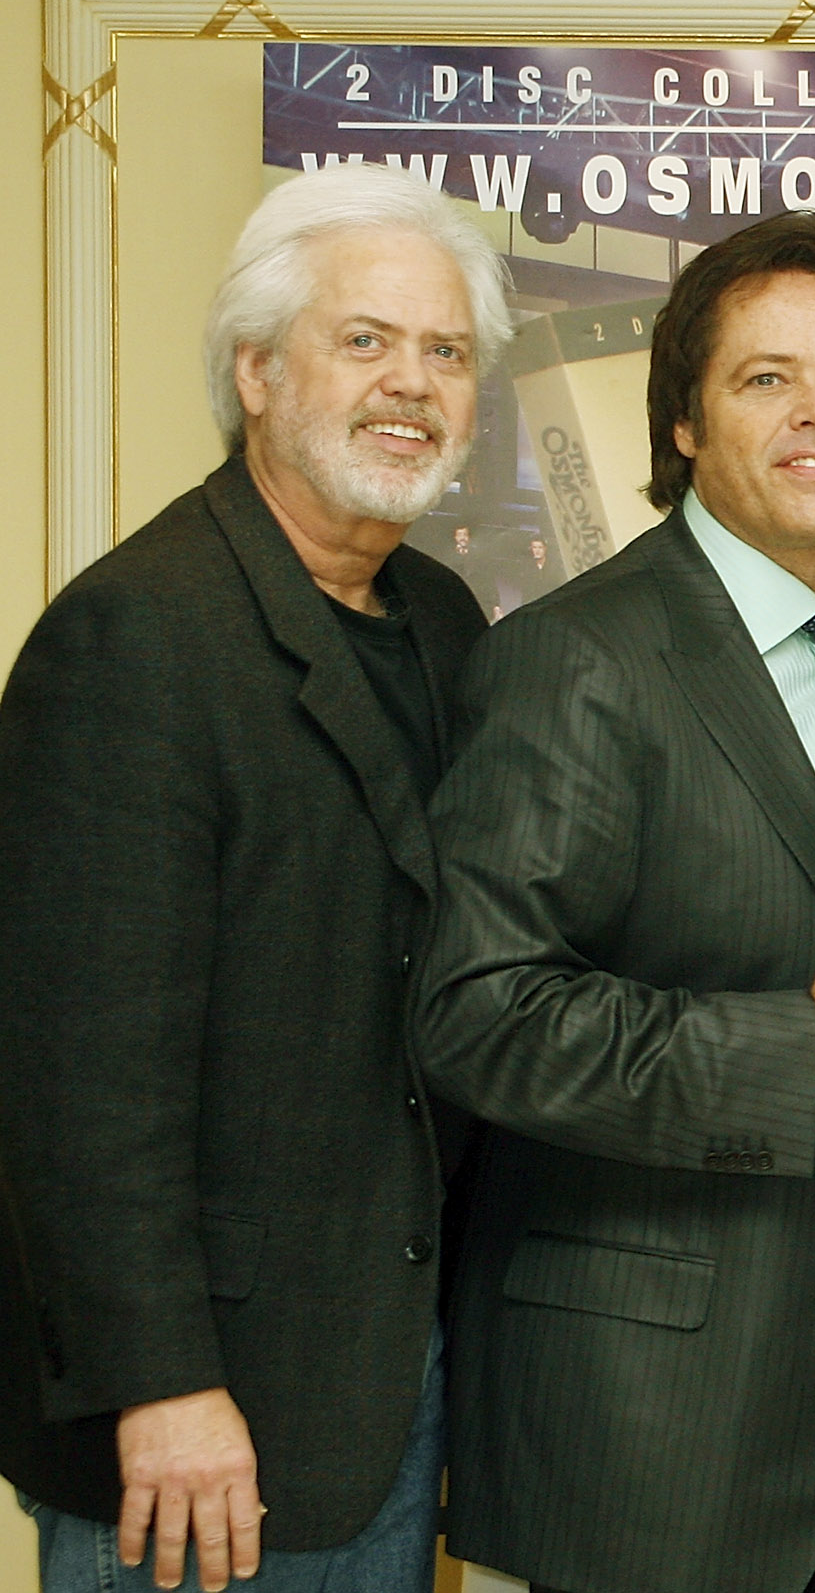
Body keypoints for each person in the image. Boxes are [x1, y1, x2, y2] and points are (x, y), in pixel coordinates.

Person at [412, 211, 815, 1593]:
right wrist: (799, 1050)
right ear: (681, 421)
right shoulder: (576, 660)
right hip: (656, 1417)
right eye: (765, 376)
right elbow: (478, 1010)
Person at [0, 164, 507, 1593]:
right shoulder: (132, 640)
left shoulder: (442, 620)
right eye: (366, 341)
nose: (412, 383)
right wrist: (159, 1386)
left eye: (446, 351)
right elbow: (76, 1077)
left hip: (380, 1391)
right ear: (256, 370)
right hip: (194, 1433)